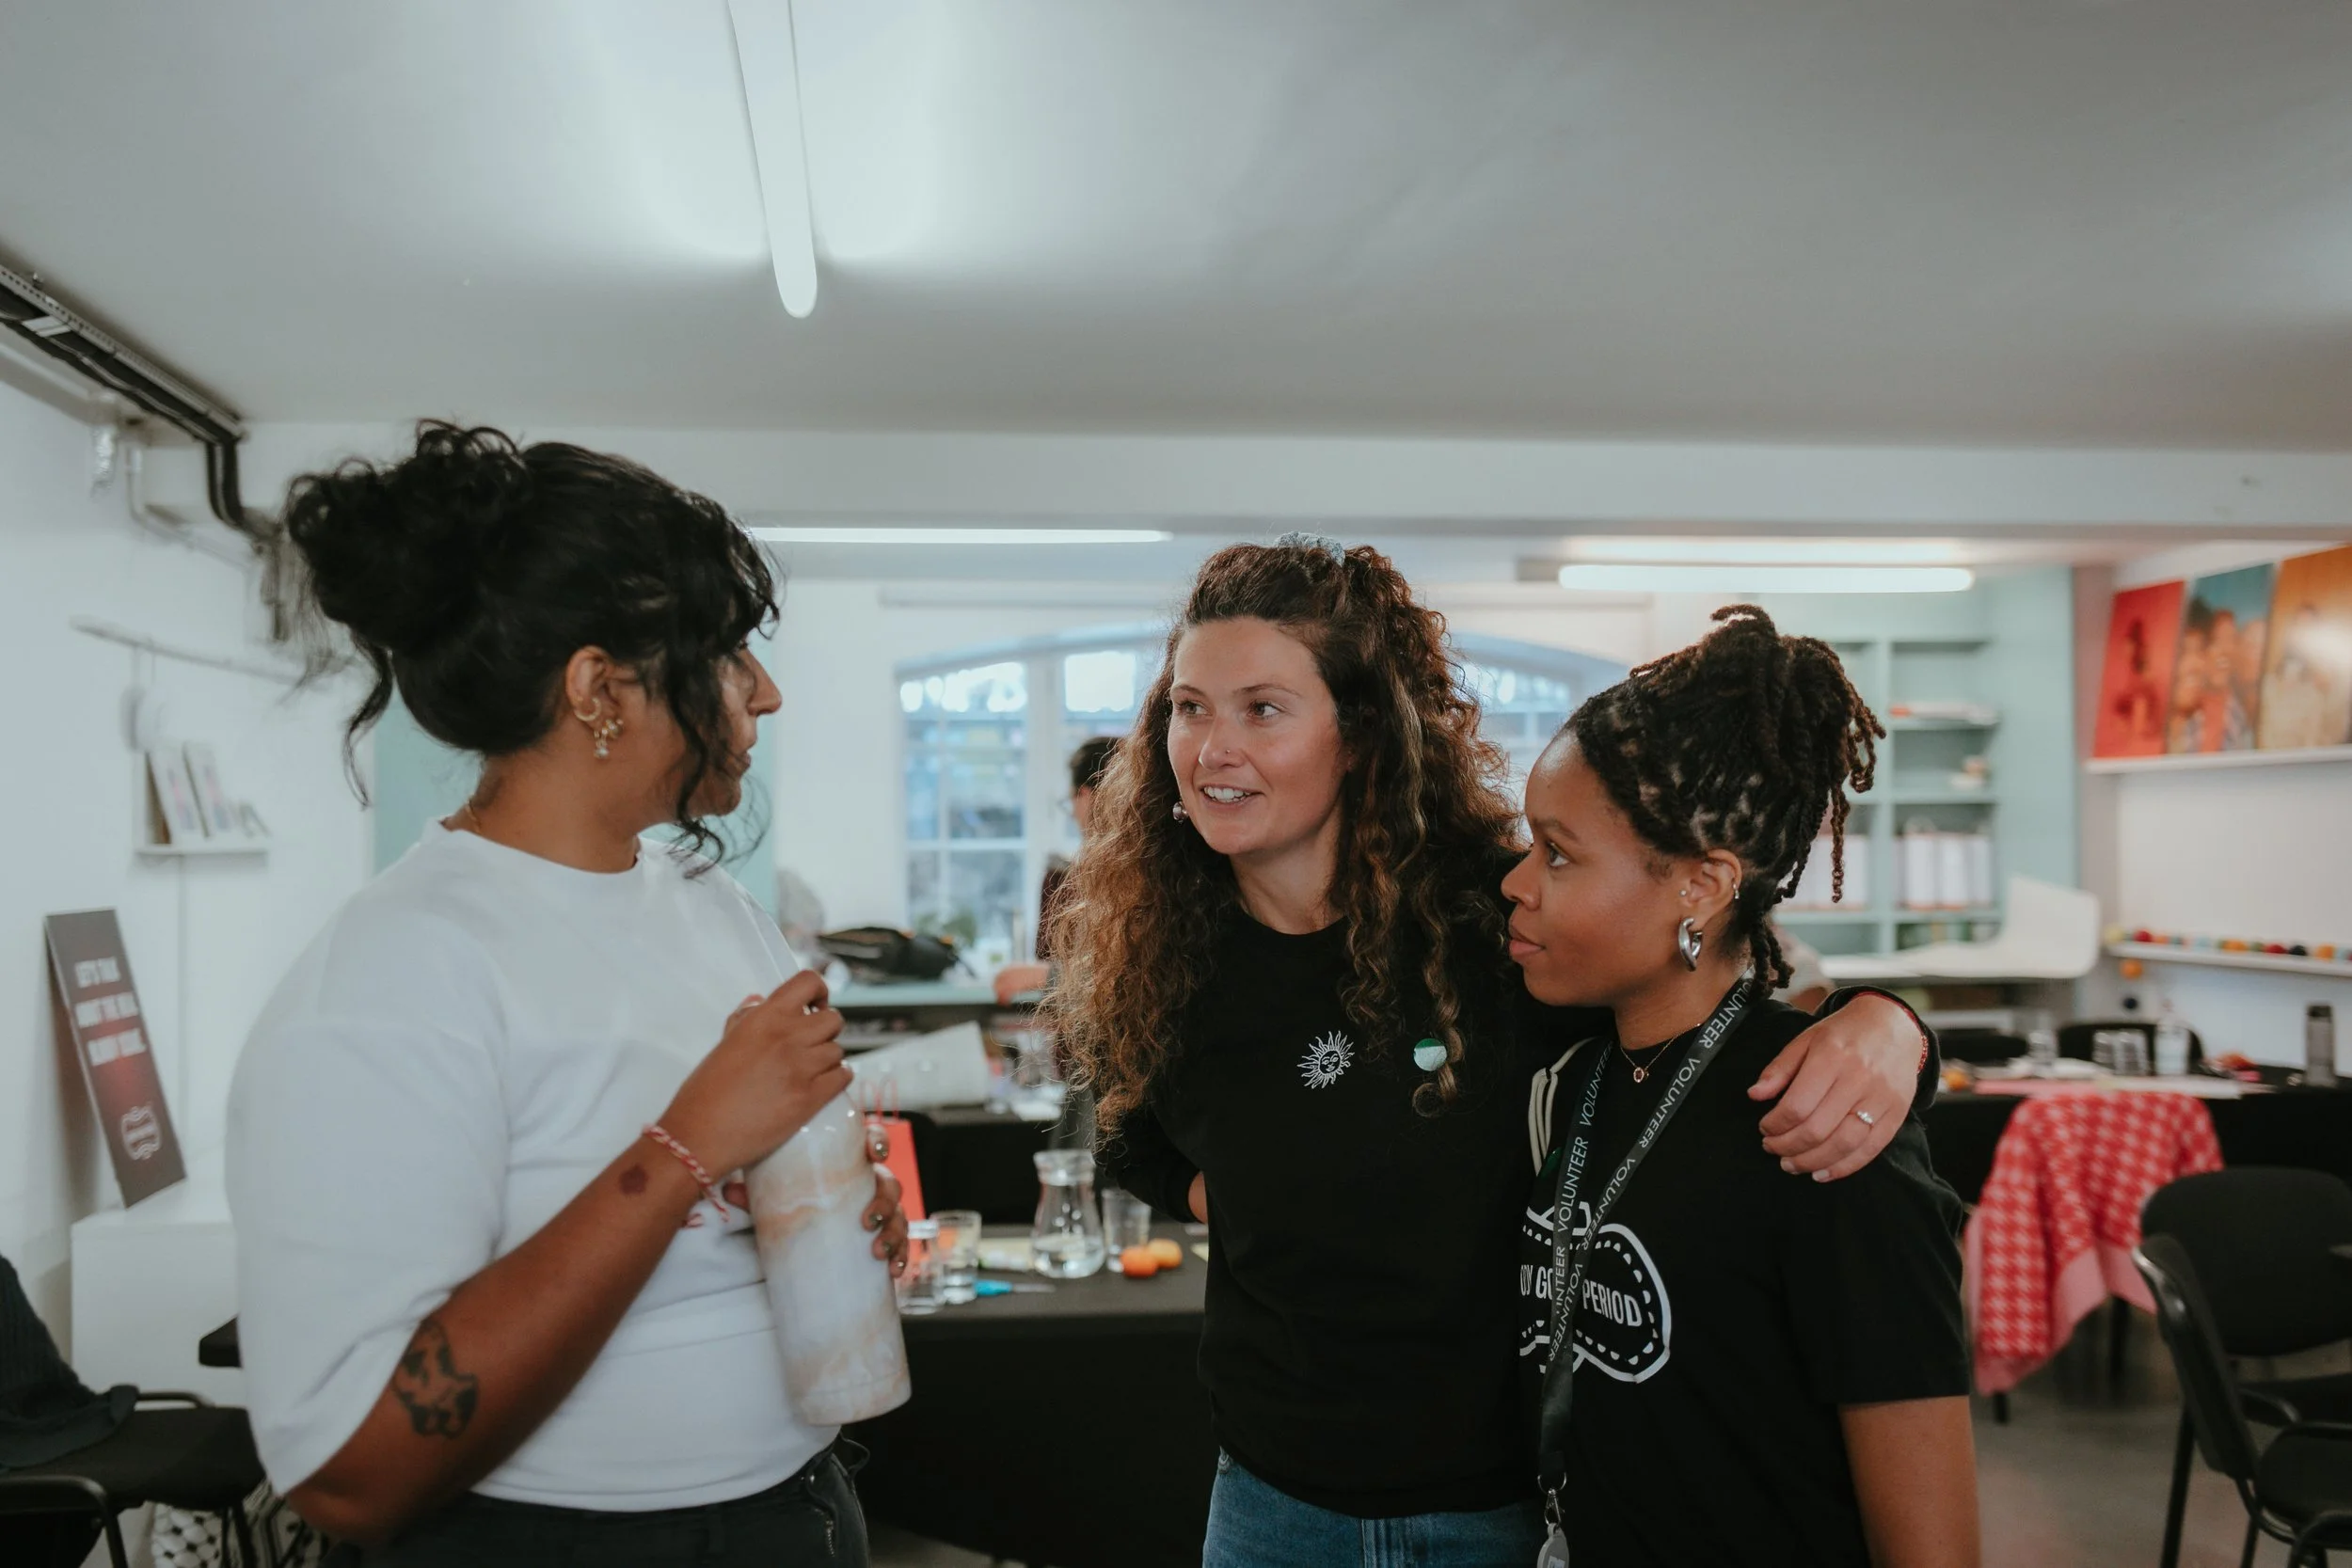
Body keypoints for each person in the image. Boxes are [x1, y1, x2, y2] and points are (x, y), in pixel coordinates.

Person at [1046, 538, 1934, 1566]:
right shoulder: (1151, 942)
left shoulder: (1502, 911)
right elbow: (1120, 1131)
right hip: (1269, 1499)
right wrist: (1235, 1197)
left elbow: (1720, 997)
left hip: (1504, 1504)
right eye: (1188, 707)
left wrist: (1893, 1020)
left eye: (1262, 707)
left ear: (1361, 733)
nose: (1211, 747)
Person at [227, 424, 909, 1566]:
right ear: (599, 688)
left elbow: (736, 1194)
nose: (768, 692)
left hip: (791, 1507)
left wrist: (823, 1207)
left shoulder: (708, 903)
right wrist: (691, 1142)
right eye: (730, 655)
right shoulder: (392, 977)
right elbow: (350, 1471)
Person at [1507, 605, 1977, 1567]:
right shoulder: (1576, 1076)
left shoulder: (1821, 1122)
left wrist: (1893, 1024)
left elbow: (1930, 1539)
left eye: (1557, 852)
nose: (1514, 881)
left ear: (1700, 885)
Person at [992, 736, 1119, 1004]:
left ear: (1085, 796)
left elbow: (1131, 979)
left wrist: (1045, 976)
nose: (1073, 813)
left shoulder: (1143, 877)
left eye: (1073, 799)